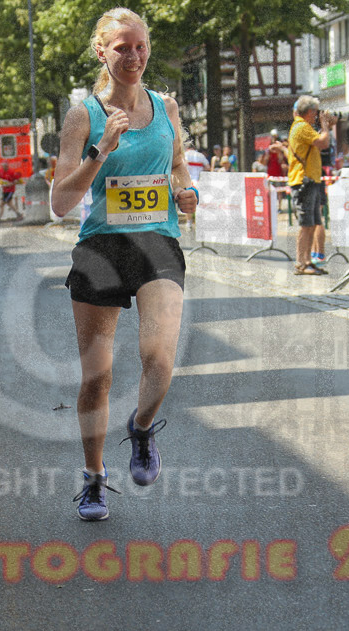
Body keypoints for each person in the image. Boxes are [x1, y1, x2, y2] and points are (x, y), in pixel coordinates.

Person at [50, 7, 198, 521]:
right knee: (98, 377)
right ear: (101, 52)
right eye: (121, 48)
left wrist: (186, 189)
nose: (133, 56)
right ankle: (93, 480)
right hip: (102, 251)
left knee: (159, 358)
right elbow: (60, 202)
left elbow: (178, 163)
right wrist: (101, 150)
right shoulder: (82, 116)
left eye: (140, 46)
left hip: (158, 243)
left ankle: (139, 429)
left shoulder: (166, 107)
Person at [288, 94, 336, 275]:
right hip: (304, 181)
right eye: (316, 112)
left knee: (313, 223)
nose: (317, 116)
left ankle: (307, 260)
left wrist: (327, 125)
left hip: (311, 180)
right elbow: (323, 143)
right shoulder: (301, 127)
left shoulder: (303, 127)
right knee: (306, 223)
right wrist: (325, 125)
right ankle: (301, 262)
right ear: (309, 111)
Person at [183, 142, 209, 230]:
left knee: (189, 203)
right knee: (200, 203)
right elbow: (208, 167)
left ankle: (189, 223)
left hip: (188, 182)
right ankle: (200, 223)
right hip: (199, 181)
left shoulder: (184, 155)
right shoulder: (201, 156)